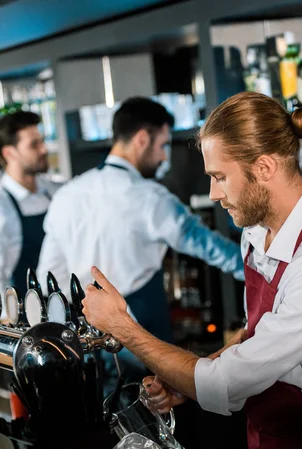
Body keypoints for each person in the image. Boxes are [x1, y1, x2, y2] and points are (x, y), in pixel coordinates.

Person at [81, 92, 302, 449]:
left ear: (265, 167)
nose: (214, 193)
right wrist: (187, 380)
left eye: (220, 176)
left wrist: (122, 327)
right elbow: (254, 336)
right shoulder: (256, 232)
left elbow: (227, 384)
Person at [37, 97, 243, 384]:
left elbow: (48, 277)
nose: (163, 158)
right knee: (156, 415)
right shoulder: (151, 198)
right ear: (143, 139)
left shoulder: (67, 194)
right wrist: (264, 273)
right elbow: (217, 251)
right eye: (163, 145)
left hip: (83, 340)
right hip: (141, 334)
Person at [0, 111, 60, 312]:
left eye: (42, 142)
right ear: (9, 153)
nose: (44, 149)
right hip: (25, 319)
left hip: (67, 308)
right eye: (34, 145)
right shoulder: (2, 206)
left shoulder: (56, 192)